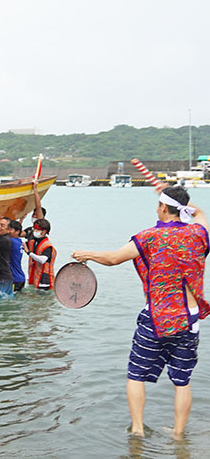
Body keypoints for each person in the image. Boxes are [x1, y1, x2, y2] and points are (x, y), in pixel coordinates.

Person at [72, 185, 209, 438]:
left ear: (162, 208)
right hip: (189, 320)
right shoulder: (199, 234)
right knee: (182, 381)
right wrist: (186, 206)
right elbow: (201, 215)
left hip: (156, 318)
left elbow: (113, 258)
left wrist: (88, 254)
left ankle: (137, 430)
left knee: (136, 375)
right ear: (183, 210)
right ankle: (178, 435)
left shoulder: (148, 237)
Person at [25, 218, 56, 290]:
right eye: (34, 229)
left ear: (44, 231)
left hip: (44, 279)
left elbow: (43, 259)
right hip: (35, 276)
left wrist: (29, 252)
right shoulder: (35, 242)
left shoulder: (47, 246)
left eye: (37, 229)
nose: (34, 231)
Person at [0, 217, 15, 298]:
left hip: (2, 277)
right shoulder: (4, 238)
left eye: (2, 225)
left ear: (9, 230)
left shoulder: (4, 240)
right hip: (6, 277)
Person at [7, 219, 26, 292]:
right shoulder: (19, 241)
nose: (8, 231)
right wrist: (21, 220)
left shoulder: (11, 241)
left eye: (10, 229)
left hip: (15, 278)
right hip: (20, 277)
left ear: (17, 231)